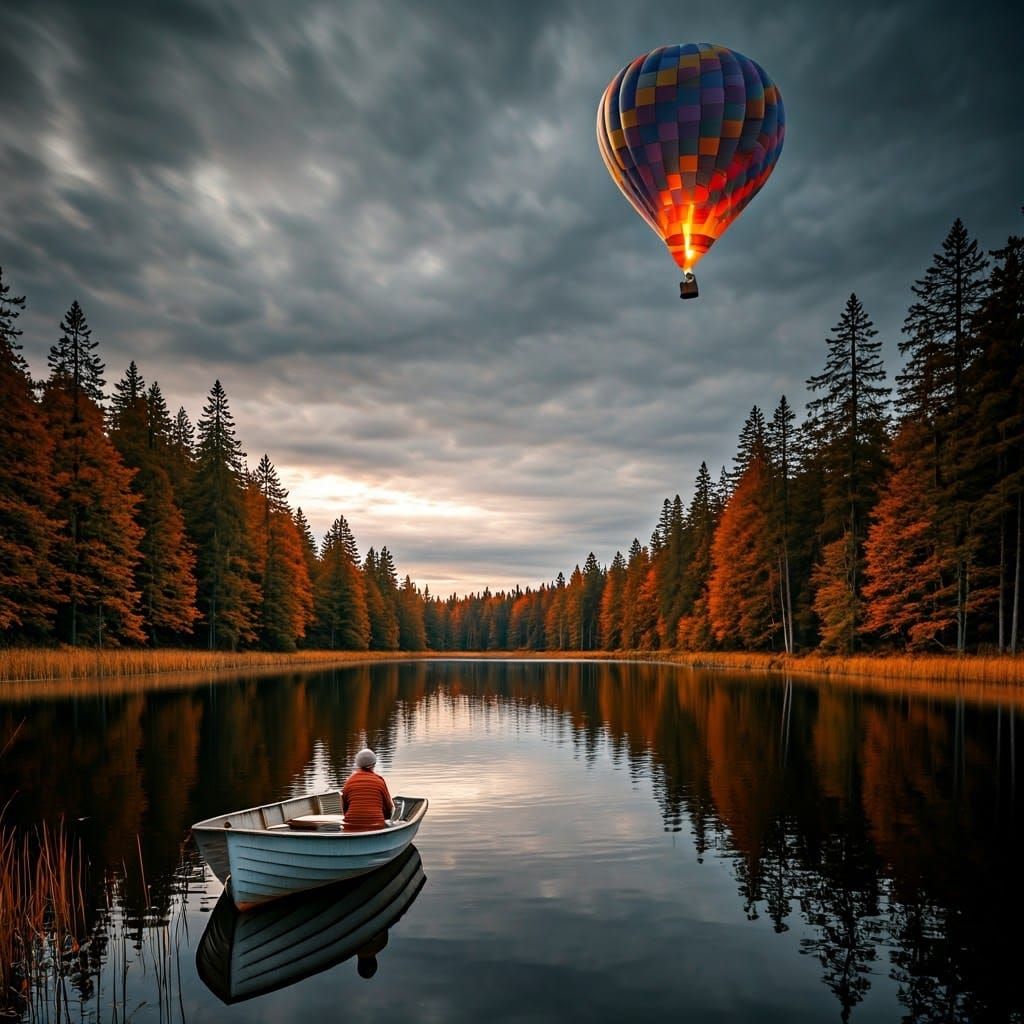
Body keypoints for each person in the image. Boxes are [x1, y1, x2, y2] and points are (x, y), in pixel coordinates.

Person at [341, 748, 394, 832]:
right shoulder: (379, 780)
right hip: (376, 828)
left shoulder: (349, 782)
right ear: (374, 764)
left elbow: (344, 808)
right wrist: (385, 820)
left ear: (358, 764)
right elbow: (389, 807)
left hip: (350, 828)